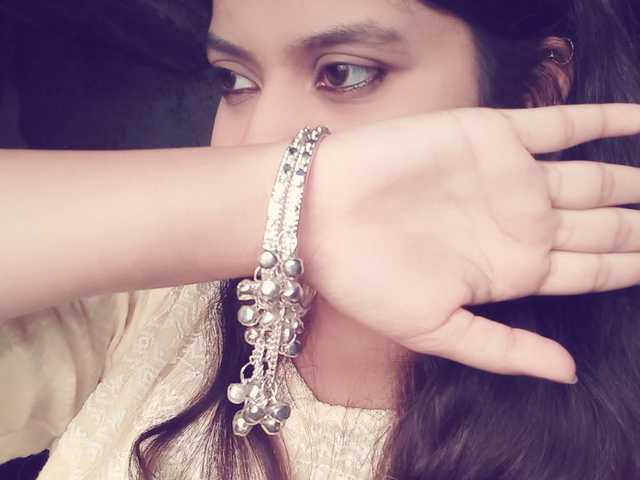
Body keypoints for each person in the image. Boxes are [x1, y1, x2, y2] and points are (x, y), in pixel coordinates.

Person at [1, 0, 640, 479]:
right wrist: (301, 201)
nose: (261, 143)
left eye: (344, 72)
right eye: (234, 81)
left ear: (532, 95)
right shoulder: (156, 289)